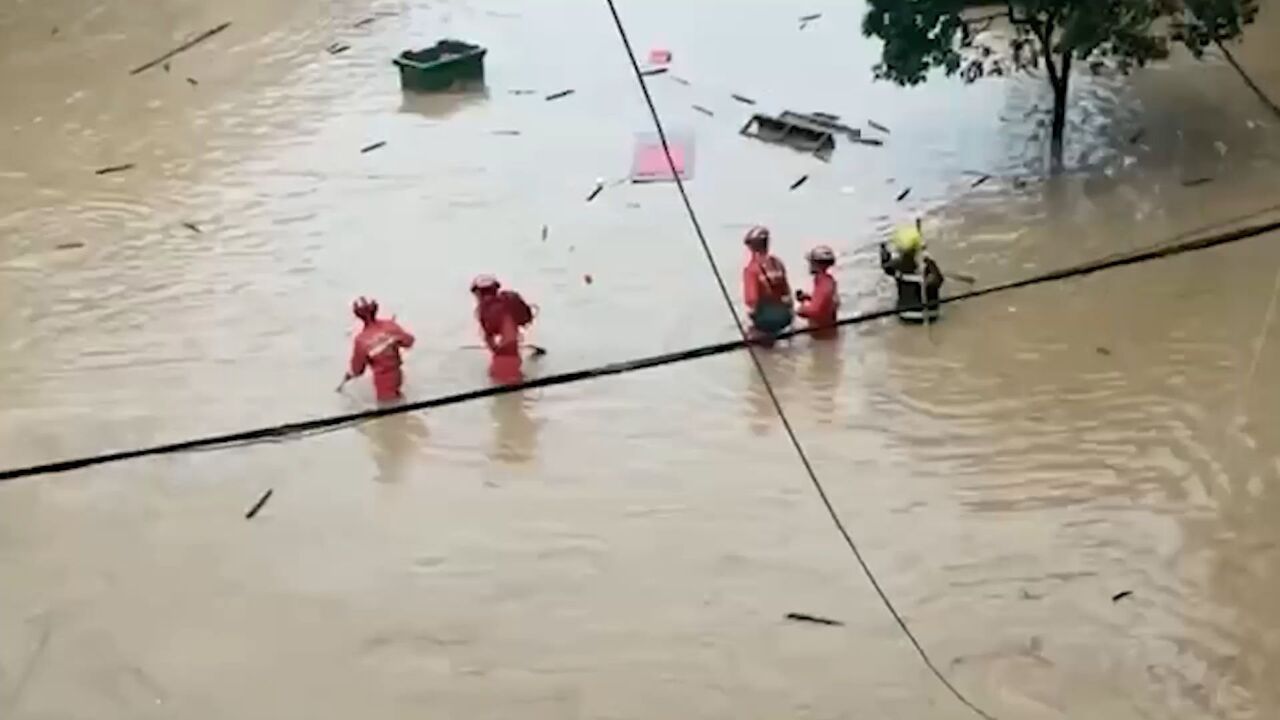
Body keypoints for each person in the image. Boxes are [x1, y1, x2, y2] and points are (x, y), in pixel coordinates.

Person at [341, 297, 415, 403]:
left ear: (357, 315)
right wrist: (395, 338)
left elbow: (358, 370)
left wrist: (349, 375)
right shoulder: (390, 326)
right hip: (398, 375)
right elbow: (409, 341)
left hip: (383, 381)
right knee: (399, 399)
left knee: (388, 410)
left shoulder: (361, 341)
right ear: (375, 309)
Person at [471, 275, 537, 384]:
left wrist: (499, 351)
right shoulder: (500, 306)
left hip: (506, 356)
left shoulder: (492, 309)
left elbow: (507, 337)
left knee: (504, 387)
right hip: (509, 354)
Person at [880, 225, 944, 324]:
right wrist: (930, 262)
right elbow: (939, 281)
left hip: (906, 315)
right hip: (931, 315)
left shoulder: (895, 266)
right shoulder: (927, 265)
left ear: (899, 249)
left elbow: (885, 266)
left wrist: (884, 251)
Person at [741, 225, 793, 343]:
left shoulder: (751, 269)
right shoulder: (778, 263)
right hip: (785, 317)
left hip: (765, 320)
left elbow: (751, 300)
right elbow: (787, 293)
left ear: (752, 247)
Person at [796, 244, 839, 339]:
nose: (809, 265)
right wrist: (809, 298)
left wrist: (800, 310)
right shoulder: (829, 280)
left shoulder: (823, 283)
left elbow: (816, 311)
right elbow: (826, 303)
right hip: (829, 331)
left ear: (817, 264)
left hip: (822, 336)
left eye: (811, 262)